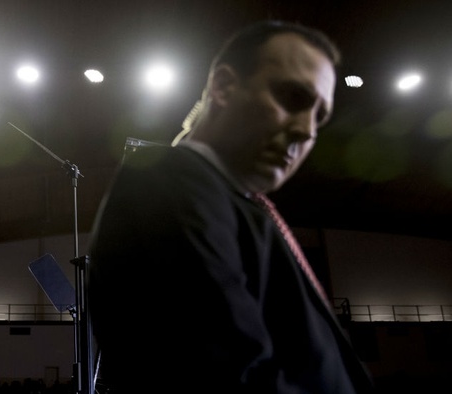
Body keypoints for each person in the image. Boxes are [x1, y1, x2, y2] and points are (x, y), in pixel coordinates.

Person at [87, 20, 375, 393]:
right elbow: (230, 371)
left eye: (320, 116)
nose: (307, 131)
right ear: (222, 88)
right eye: (293, 98)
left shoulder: (238, 207)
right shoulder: (166, 180)